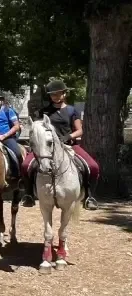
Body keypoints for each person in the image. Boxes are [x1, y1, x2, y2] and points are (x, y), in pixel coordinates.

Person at [22, 80, 99, 210]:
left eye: (58, 94)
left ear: (64, 94)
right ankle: (29, 194)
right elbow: (38, 128)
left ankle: (89, 196)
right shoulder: (45, 111)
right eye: (53, 95)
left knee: (93, 166)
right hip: (47, 147)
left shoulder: (71, 110)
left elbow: (80, 130)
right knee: (25, 165)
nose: (56, 97)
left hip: (69, 144)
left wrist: (68, 137)